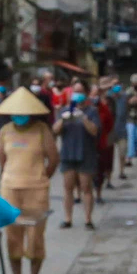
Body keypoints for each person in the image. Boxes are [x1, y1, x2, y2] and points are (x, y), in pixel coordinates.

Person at [0, 87, 56, 274]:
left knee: (35, 237)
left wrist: (42, 177)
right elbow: (2, 159)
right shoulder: (5, 131)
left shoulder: (41, 130)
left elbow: (54, 159)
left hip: (36, 190)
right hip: (10, 189)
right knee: (12, 237)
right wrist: (8, 177)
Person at [54, 87, 102, 229]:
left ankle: (88, 219)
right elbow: (55, 130)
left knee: (86, 187)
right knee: (68, 187)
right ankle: (68, 218)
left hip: (86, 153)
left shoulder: (92, 111)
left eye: (80, 91)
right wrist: (64, 119)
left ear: (86, 95)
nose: (77, 94)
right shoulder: (64, 110)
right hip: (68, 154)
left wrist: (83, 118)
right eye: (75, 91)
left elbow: (94, 131)